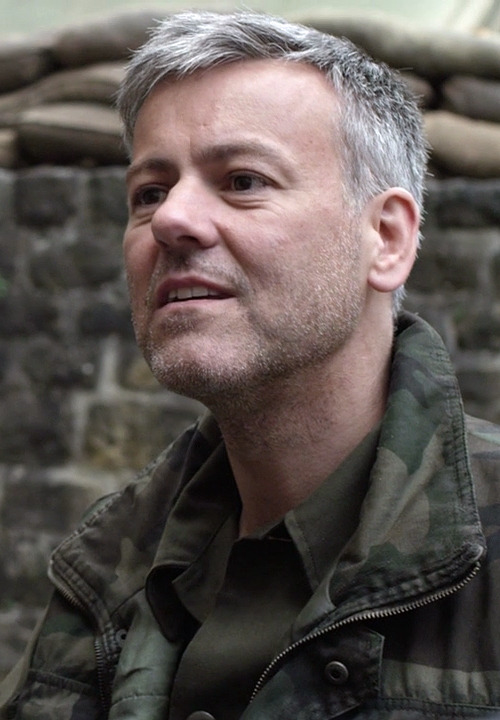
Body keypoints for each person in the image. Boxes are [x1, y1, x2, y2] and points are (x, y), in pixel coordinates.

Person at [2, 9, 500, 720]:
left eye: (242, 180)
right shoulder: (109, 568)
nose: (171, 219)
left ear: (386, 239)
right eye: (149, 192)